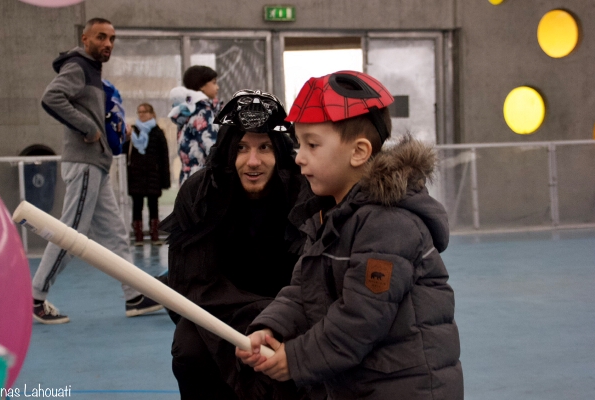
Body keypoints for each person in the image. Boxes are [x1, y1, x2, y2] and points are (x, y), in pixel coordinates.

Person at [237, 71, 464, 400]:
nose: (299, 156)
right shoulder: (330, 215)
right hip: (359, 384)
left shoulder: (389, 224)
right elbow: (304, 291)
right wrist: (271, 327)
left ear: (358, 152)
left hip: (406, 389)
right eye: (299, 144)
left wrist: (296, 359)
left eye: (312, 145)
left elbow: (361, 318)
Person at [160, 89, 321, 400]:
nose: (253, 161)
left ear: (279, 151)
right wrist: (253, 320)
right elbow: (190, 284)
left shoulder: (305, 194)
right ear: (228, 150)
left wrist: (275, 322)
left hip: (289, 311)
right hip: (215, 312)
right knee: (189, 351)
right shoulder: (200, 194)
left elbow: (315, 282)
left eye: (264, 147)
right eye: (241, 148)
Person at [32, 18, 163, 324]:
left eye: (112, 39)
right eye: (101, 37)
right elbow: (51, 98)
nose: (108, 44)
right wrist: (88, 128)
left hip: (97, 164)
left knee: (116, 234)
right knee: (69, 233)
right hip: (85, 163)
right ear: (85, 38)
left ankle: (134, 296)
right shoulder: (78, 65)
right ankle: (35, 297)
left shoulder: (92, 71)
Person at [123, 103, 170, 246]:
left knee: (153, 206)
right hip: (136, 176)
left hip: (153, 176)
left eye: (144, 111)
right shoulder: (132, 131)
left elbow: (164, 157)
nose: (141, 114)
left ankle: (155, 235)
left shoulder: (158, 132)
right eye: (139, 112)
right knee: (137, 206)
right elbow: (124, 153)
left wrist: (165, 180)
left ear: (151, 113)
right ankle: (138, 236)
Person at [178, 65, 221, 185]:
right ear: (201, 86)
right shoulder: (203, 112)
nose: (217, 87)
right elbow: (212, 148)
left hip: (188, 176)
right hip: (203, 179)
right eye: (214, 83)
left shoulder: (186, 111)